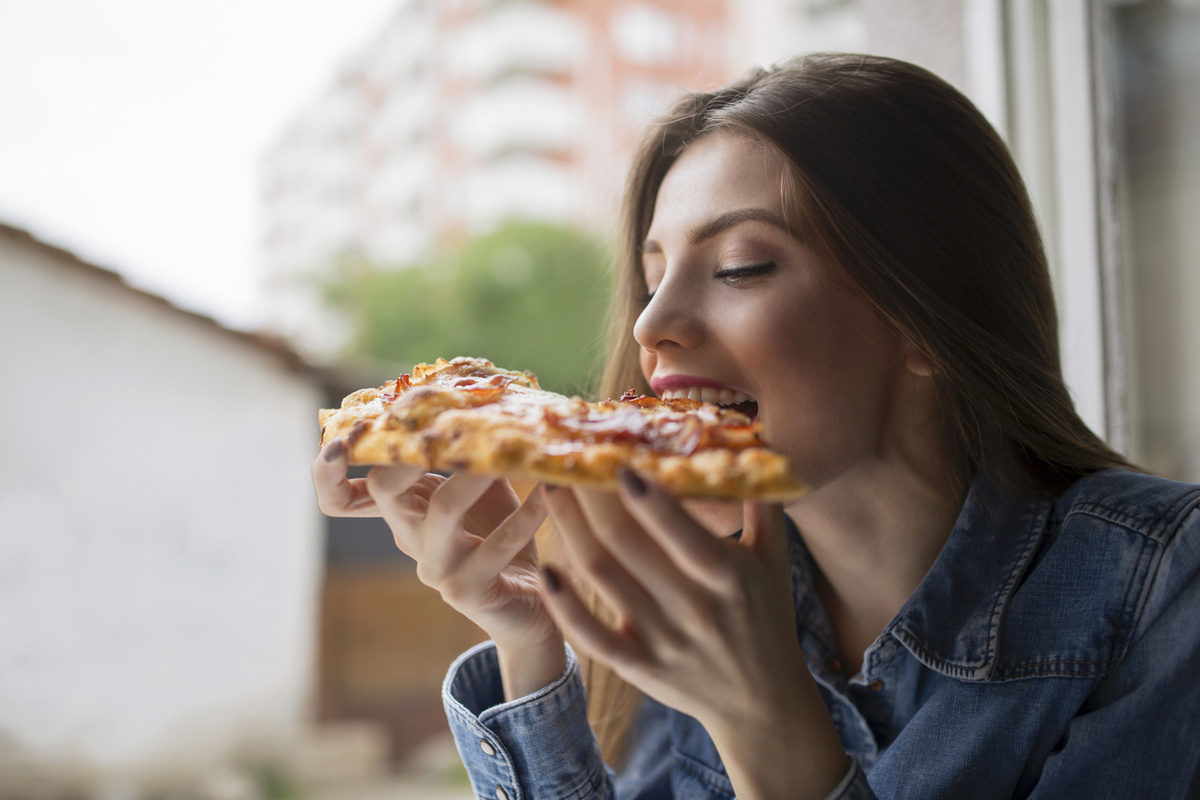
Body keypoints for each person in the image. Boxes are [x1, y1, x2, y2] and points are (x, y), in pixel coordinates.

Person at [313, 54, 1200, 799]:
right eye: (653, 274)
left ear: (927, 321)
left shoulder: (1164, 586)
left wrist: (769, 727)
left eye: (740, 266)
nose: (650, 327)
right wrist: (531, 636)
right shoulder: (704, 584)